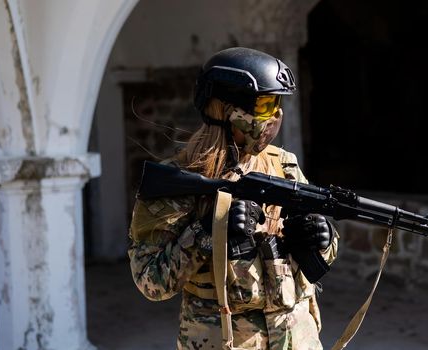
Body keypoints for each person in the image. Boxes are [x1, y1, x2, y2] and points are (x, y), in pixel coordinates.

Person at [128, 47, 339, 350]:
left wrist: (323, 238)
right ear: (227, 111)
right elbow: (151, 282)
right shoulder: (178, 182)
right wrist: (209, 232)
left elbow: (320, 260)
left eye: (278, 103)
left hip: (297, 339)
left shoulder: (284, 166)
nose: (277, 114)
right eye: (266, 104)